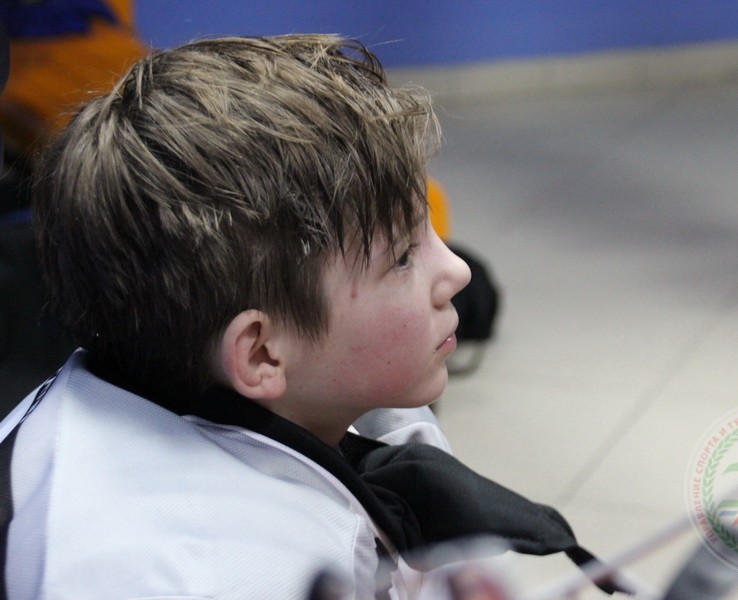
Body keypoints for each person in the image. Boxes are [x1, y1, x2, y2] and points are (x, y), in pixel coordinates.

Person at [0, 35, 628, 599]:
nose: (457, 272)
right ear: (261, 353)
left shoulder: (313, 377)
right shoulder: (200, 575)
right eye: (403, 258)